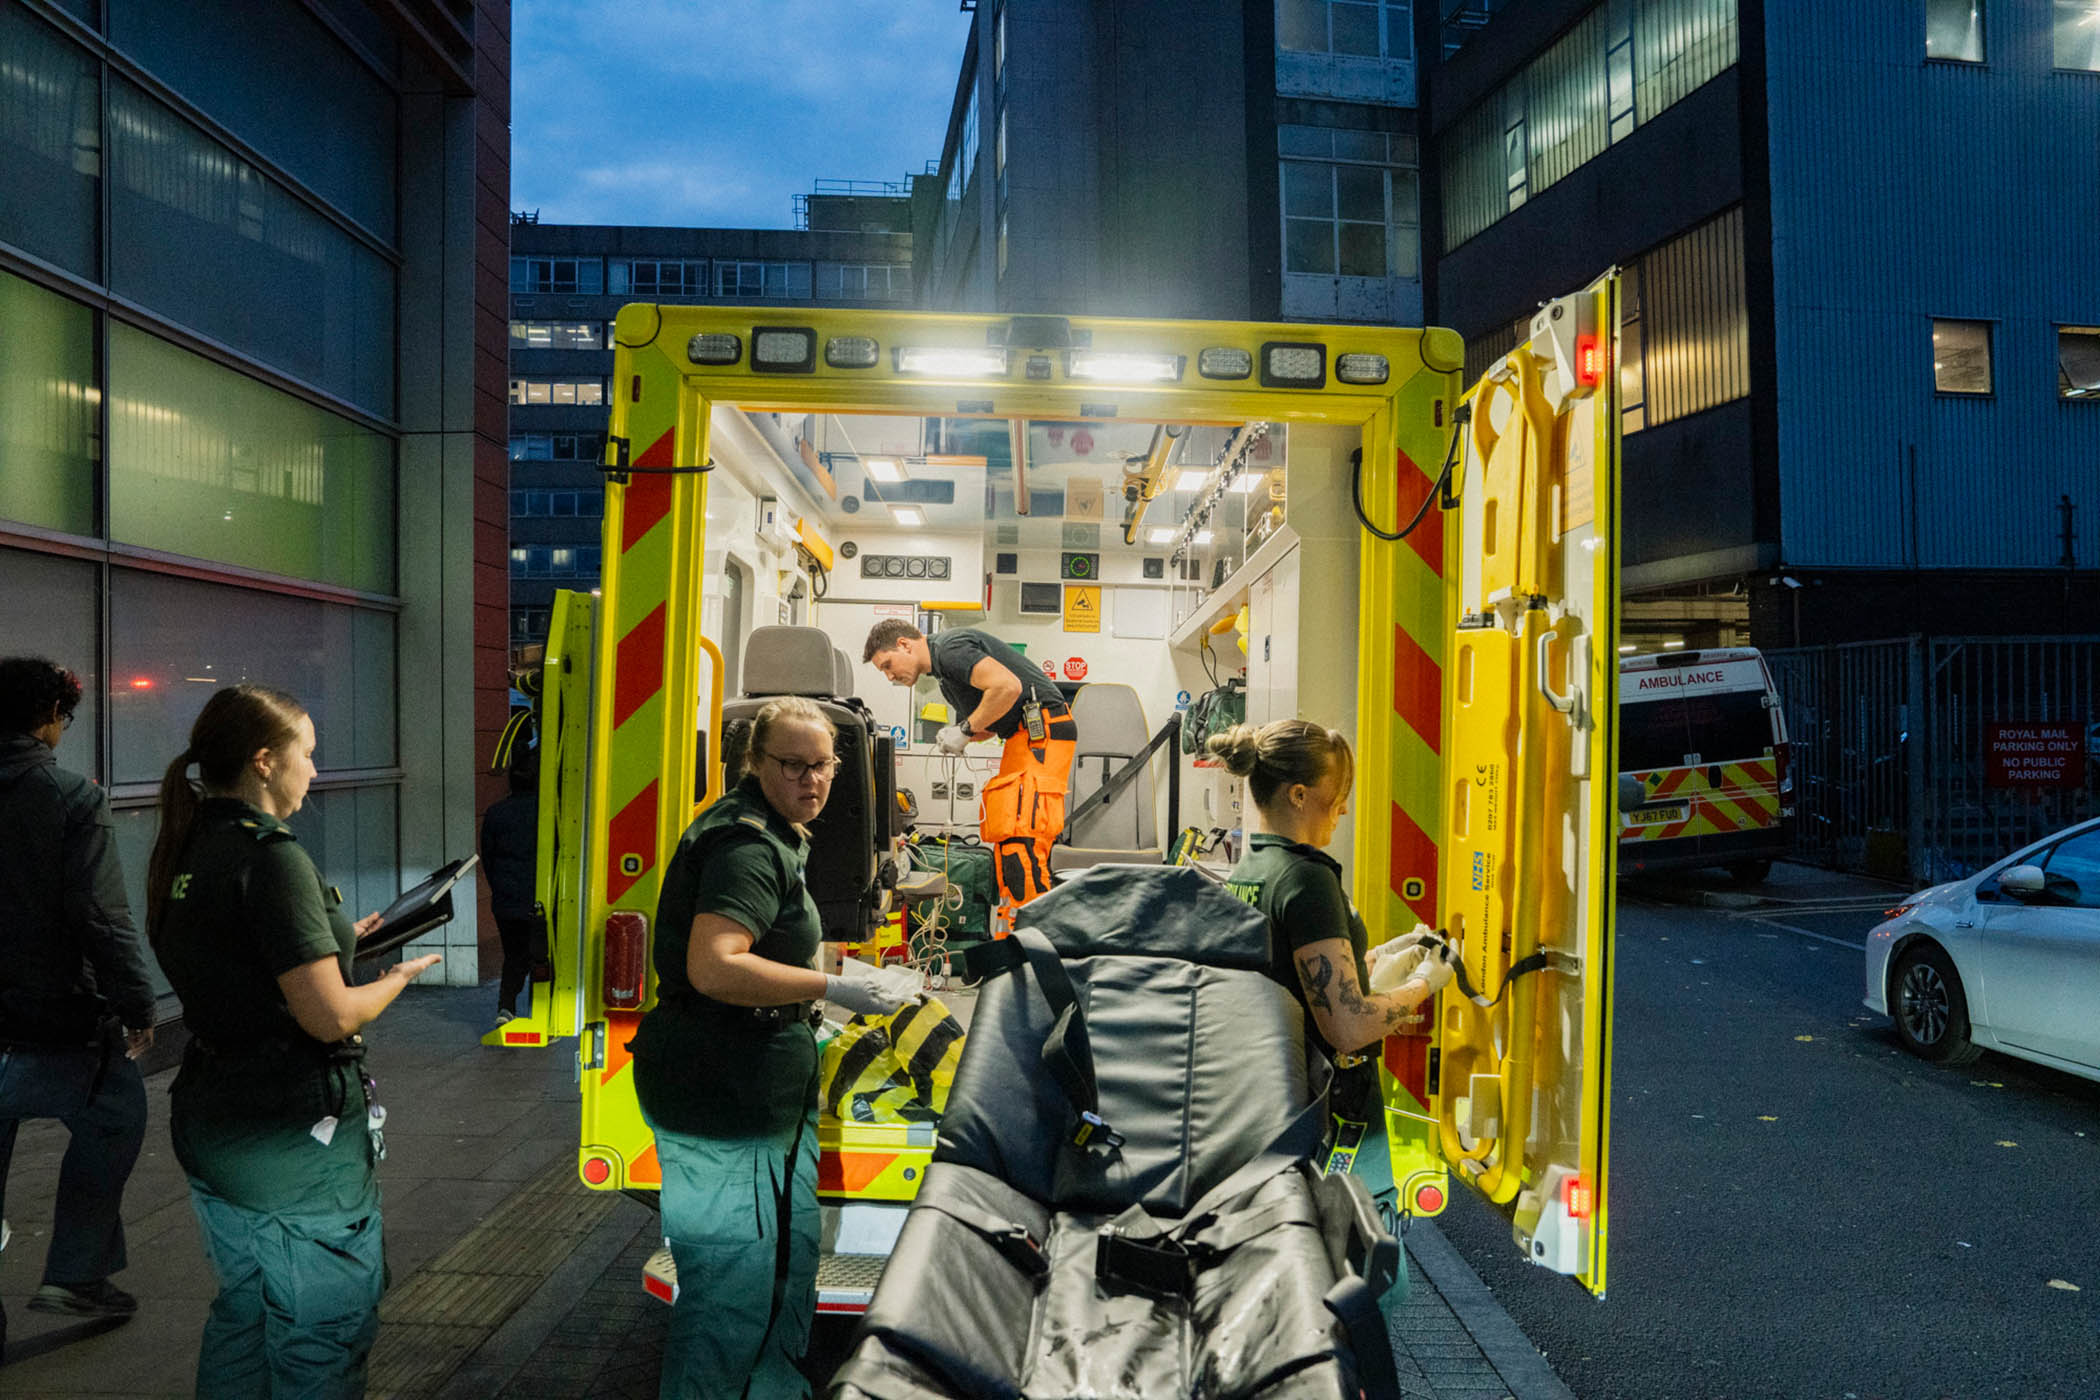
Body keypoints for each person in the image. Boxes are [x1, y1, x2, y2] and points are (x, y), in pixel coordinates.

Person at [146, 685, 442, 1398]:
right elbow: (331, 1017)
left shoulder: (191, 846)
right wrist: (397, 977)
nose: (316, 770)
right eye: (308, 755)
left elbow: (245, 960)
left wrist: (343, 938)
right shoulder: (271, 857)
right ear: (265, 761)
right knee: (321, 1334)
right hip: (291, 1138)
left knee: (245, 1313)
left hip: (215, 1121)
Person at [628, 697, 919, 1400]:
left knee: (782, 1272)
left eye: (822, 766)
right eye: (792, 765)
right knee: (728, 1298)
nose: (811, 780)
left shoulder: (781, 832)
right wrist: (833, 987)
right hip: (724, 1094)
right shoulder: (747, 845)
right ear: (754, 763)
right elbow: (715, 965)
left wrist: (826, 989)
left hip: (763, 1092)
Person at [1209, 719, 1455, 1297]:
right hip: (1331, 1122)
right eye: (1337, 795)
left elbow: (1294, 982)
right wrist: (1425, 982)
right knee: (1367, 1284)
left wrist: (1378, 963)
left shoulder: (1251, 870)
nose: (1342, 809)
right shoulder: (1308, 879)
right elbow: (1345, 1026)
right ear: (1300, 794)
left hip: (1272, 1108)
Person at [0, 657, 158, 1346]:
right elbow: (101, 916)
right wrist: (137, 1002)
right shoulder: (67, 797)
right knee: (116, 1113)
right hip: (48, 1019)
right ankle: (75, 1270)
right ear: (48, 719)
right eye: (63, 719)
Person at [863, 620, 1077, 907]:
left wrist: (964, 730)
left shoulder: (949, 649)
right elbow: (988, 724)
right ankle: (1017, 923)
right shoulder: (945, 678)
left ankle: (1036, 927)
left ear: (904, 644)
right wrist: (960, 734)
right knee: (1007, 833)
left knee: (1022, 836)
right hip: (1020, 736)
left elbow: (1007, 687)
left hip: (1042, 731)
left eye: (888, 665)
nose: (890, 676)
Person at [480, 742, 541, 1025]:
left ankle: (506, 1007)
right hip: (539, 899)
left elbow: (488, 858)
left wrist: (501, 888)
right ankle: (542, 1011)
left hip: (505, 899)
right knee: (540, 955)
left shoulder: (495, 813)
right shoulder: (547, 814)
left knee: (513, 954)